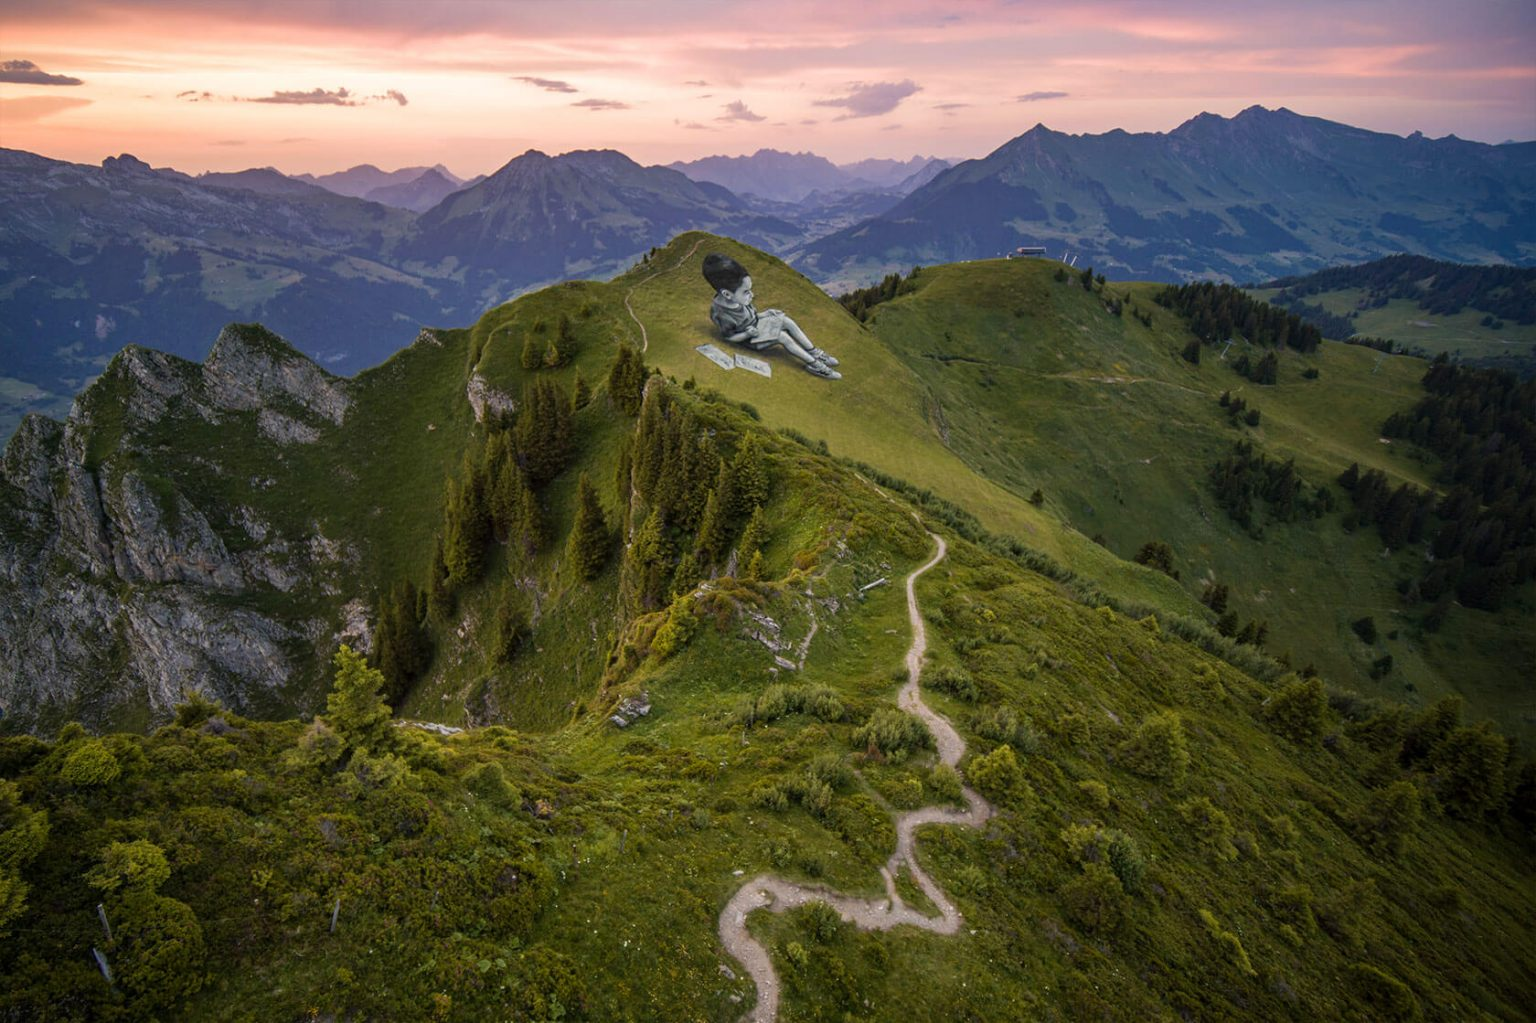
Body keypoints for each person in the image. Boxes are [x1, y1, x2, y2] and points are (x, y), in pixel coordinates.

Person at [702, 253, 841, 380]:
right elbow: (729, 337)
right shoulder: (721, 313)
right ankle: (815, 365)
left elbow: (752, 317)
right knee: (783, 337)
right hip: (750, 339)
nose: (751, 295)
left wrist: (766, 314)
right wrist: (746, 334)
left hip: (756, 326)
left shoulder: (736, 299)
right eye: (746, 292)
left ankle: (814, 352)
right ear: (727, 294)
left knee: (787, 321)